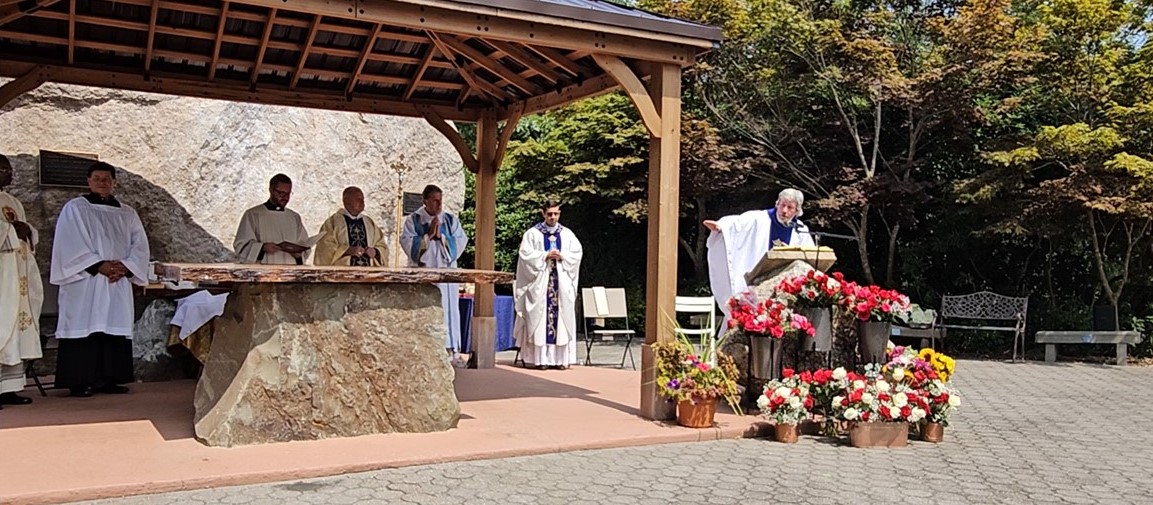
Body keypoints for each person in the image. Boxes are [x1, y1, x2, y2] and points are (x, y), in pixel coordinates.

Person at [51, 162, 150, 397]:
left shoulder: (127, 213)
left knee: (112, 326)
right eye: (97, 178)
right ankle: (79, 380)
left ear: (114, 182)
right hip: (86, 280)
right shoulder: (75, 208)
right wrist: (99, 265)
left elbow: (140, 245)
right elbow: (69, 243)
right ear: (88, 181)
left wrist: (126, 268)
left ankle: (109, 379)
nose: (102, 182)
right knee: (85, 326)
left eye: (107, 179)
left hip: (116, 280)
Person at [704, 188, 816, 331]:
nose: (784, 211)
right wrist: (722, 227)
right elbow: (738, 224)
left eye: (790, 207)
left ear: (797, 211)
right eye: (782, 205)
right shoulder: (760, 218)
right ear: (777, 203)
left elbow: (809, 256)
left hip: (783, 288)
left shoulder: (800, 230)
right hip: (757, 280)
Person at [400, 184, 468, 360]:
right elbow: (408, 244)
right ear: (425, 201)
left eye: (440, 201)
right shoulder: (413, 221)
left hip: (446, 275)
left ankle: (450, 348)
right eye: (435, 201)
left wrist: (442, 238)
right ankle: (426, 346)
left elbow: (461, 242)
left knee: (448, 309)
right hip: (424, 274)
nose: (439, 205)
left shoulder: (450, 220)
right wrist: (428, 236)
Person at [513, 201, 583, 370]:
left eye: (556, 214)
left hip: (560, 283)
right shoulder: (532, 234)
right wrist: (544, 255)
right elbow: (525, 255)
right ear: (543, 213)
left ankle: (560, 360)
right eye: (549, 214)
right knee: (540, 318)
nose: (553, 217)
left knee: (561, 319)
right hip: (541, 284)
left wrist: (562, 256)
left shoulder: (567, 234)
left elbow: (577, 253)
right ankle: (541, 360)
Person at [0, 154, 43, 406]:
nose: (10, 173)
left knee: (15, 328)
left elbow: (24, 231)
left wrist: (28, 231)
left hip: (18, 274)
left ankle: (9, 387)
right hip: (2, 277)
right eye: (4, 168)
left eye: (9, 169)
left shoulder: (13, 201)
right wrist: (10, 231)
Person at [234, 173, 312, 265]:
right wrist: (262, 248)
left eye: (288, 194)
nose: (285, 198)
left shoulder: (294, 217)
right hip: (262, 273)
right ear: (271, 190)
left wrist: (298, 254)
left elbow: (304, 247)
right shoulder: (253, 214)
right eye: (281, 193)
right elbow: (241, 245)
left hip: (290, 273)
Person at [314, 186, 389, 266]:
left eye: (363, 199)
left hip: (369, 275)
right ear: (347, 202)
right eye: (358, 199)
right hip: (342, 274)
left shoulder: (369, 223)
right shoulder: (333, 223)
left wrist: (375, 251)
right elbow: (325, 248)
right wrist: (346, 250)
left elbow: (381, 245)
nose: (362, 202)